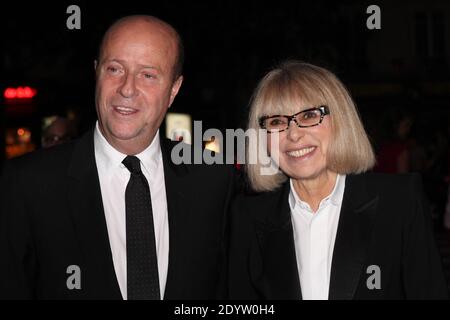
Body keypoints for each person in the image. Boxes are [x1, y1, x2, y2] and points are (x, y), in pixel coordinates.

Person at [0, 15, 234, 300]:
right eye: (114, 69)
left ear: (173, 89)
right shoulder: (27, 185)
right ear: (96, 73)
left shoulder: (214, 179)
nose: (127, 88)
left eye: (147, 75)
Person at [228, 61, 449, 300]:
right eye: (276, 122)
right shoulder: (248, 217)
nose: (293, 134)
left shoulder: (399, 202)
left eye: (310, 115)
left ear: (340, 121)